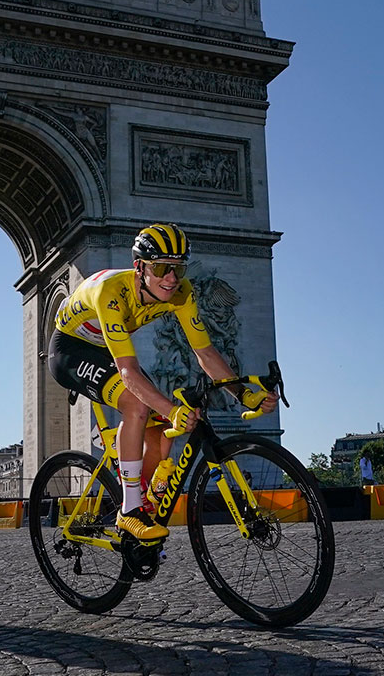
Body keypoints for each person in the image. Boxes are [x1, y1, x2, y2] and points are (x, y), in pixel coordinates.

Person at [47, 224, 277, 543]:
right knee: (139, 403)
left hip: (108, 347)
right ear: (140, 267)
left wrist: (242, 393)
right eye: (162, 268)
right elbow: (128, 373)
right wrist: (170, 410)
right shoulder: (111, 293)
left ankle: (144, 497)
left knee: (160, 437)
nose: (171, 278)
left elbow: (205, 352)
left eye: (178, 268)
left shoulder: (181, 293)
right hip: (70, 350)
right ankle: (129, 511)